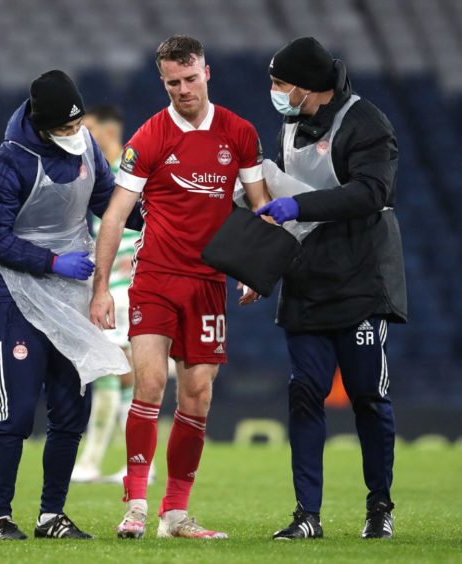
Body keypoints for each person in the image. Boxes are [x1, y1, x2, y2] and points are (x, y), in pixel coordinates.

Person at [90, 35, 269, 540]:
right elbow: (116, 215)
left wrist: (258, 270)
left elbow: (261, 207)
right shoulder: (149, 137)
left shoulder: (239, 132)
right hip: (156, 278)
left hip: (209, 283)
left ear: (206, 73)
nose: (184, 90)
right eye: (173, 82)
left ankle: (175, 515)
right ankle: (135, 506)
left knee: (197, 398)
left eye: (191, 79)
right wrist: (102, 288)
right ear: (162, 80)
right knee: (148, 384)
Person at [0, 70, 142, 540]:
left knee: (71, 412)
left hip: (71, 296)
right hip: (17, 296)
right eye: (64, 129)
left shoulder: (87, 145)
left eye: (77, 124)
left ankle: (52, 515)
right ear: (42, 124)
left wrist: (157, 214)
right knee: (18, 414)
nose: (75, 134)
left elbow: (111, 201)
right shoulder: (7, 163)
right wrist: (51, 261)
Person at [254, 37, 407, 540]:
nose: (274, 92)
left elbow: (371, 192)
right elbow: (282, 204)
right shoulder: (291, 122)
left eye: (280, 83)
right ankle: (307, 516)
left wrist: (300, 206)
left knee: (368, 397)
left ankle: (379, 505)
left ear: (306, 87)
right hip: (305, 282)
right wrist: (262, 269)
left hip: (361, 280)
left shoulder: (367, 123)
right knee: (304, 395)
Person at [72, 105, 156, 485]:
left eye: (88, 129)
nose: (81, 136)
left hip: (127, 295)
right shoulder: (95, 177)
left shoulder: (133, 174)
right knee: (117, 379)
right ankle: (131, 464)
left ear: (108, 131)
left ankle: (101, 464)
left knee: (118, 377)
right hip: (109, 293)